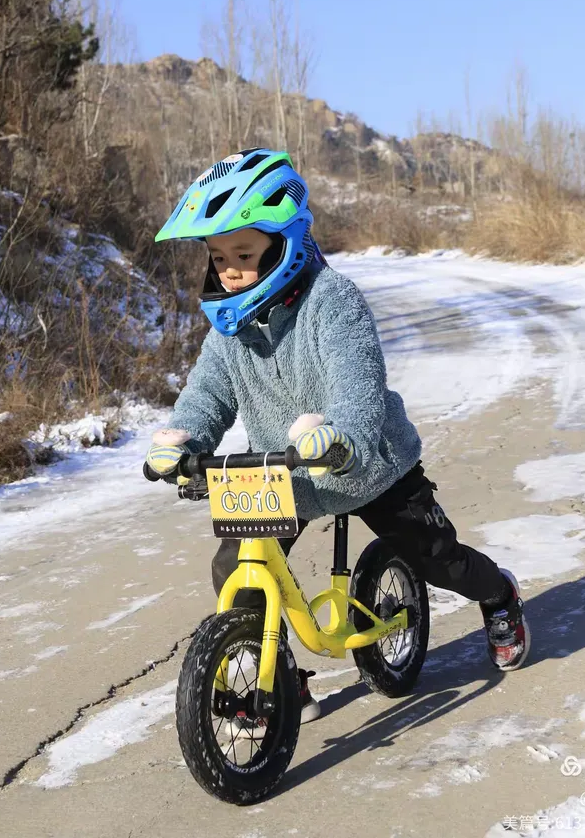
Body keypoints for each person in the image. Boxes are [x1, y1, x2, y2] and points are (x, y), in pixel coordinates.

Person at [146, 148, 530, 725]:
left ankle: (499, 596)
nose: (229, 270)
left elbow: (358, 387)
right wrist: (183, 439)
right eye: (219, 257)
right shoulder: (229, 330)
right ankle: (279, 677)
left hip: (370, 463)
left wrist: (344, 436)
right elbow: (209, 395)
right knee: (237, 572)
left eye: (245, 255)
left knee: (437, 560)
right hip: (286, 475)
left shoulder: (334, 302)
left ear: (285, 244)